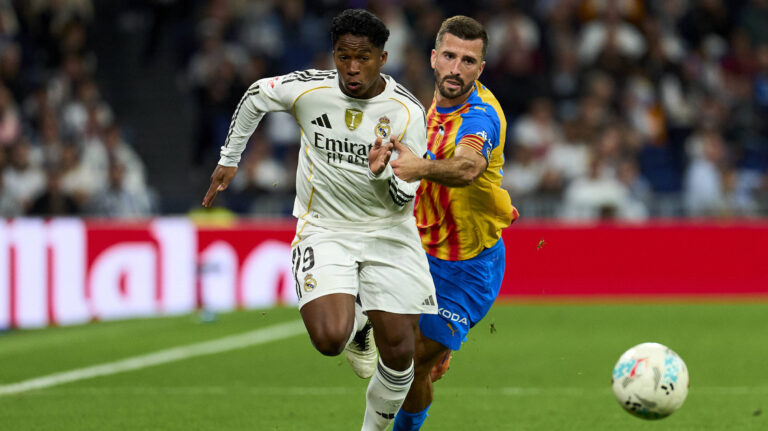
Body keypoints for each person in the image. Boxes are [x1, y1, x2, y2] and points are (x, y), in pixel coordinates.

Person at [201, 9, 437, 431]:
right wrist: (229, 159)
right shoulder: (310, 89)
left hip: (389, 230)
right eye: (343, 56)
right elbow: (257, 94)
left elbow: (407, 195)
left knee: (401, 352)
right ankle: (357, 326)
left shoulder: (406, 113)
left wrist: (382, 172)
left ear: (383, 58)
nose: (351, 67)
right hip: (325, 228)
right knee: (329, 339)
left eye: (362, 57)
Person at [387, 16, 519, 430]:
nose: (456, 69)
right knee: (395, 357)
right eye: (449, 56)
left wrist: (419, 168)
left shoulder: (480, 116)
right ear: (433, 58)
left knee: (413, 363)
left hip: (469, 266)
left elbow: (466, 167)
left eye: (468, 61)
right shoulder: (423, 110)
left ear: (480, 69)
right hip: (419, 250)